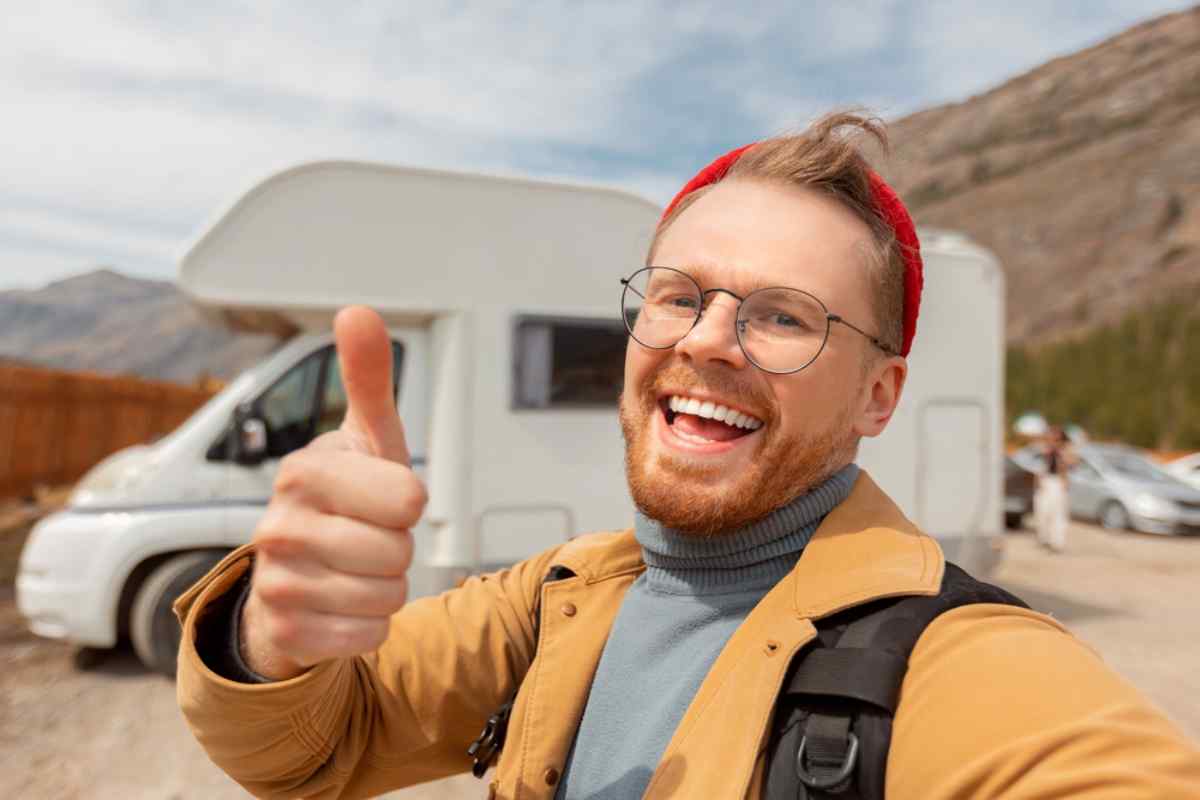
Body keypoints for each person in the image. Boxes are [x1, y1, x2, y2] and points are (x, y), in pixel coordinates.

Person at [174, 113, 1200, 799]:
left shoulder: (951, 660)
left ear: (878, 395)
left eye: (784, 315)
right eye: (679, 294)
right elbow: (304, 745)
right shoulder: (560, 595)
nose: (706, 339)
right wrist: (273, 629)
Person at [1034, 425, 1075, 552]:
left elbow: (1071, 464)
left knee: (1058, 514)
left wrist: (1062, 453)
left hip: (1058, 483)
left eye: (1056, 439)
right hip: (1046, 482)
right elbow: (1038, 467)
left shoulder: (1066, 451)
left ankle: (1057, 542)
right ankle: (1044, 538)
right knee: (1042, 511)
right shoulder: (1044, 450)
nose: (1052, 441)